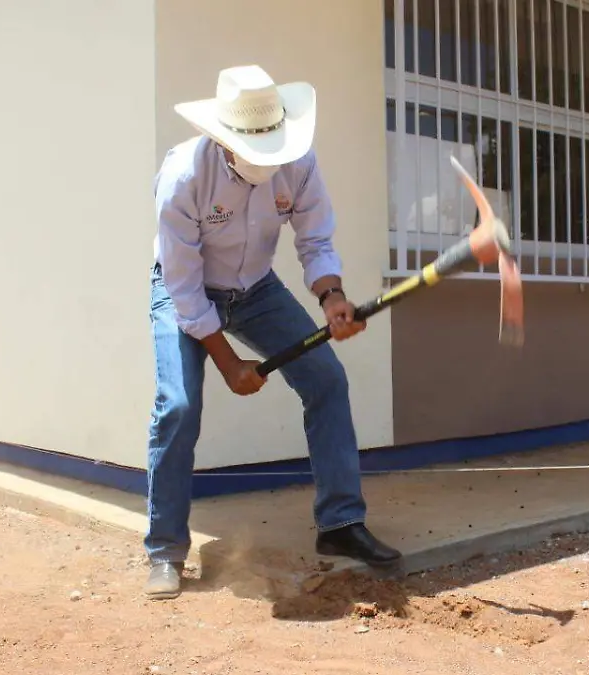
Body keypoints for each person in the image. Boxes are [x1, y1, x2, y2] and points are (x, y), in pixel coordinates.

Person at [143, 64, 401, 600]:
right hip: (184, 291)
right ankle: (165, 549)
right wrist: (227, 362)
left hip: (257, 289)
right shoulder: (184, 177)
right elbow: (185, 289)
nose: (269, 161)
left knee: (326, 379)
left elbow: (315, 240)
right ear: (223, 138)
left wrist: (332, 298)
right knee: (179, 406)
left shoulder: (299, 162)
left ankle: (340, 524)